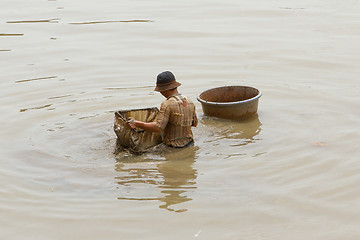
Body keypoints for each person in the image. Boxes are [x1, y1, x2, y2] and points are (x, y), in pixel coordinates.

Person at [128, 71, 198, 148]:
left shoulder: (167, 105)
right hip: (190, 144)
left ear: (163, 90)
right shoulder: (190, 102)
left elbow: (158, 128)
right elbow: (194, 123)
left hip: (173, 147)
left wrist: (136, 123)